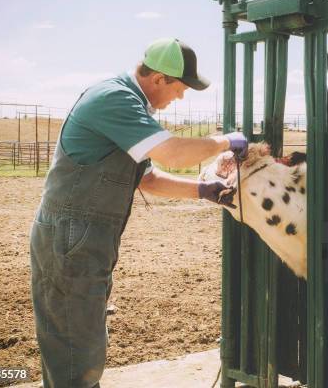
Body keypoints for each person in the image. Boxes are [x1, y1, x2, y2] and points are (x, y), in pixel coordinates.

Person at [29, 37, 246, 388]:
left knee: (78, 340)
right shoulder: (115, 99)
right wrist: (226, 140)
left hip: (83, 237)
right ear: (159, 78)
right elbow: (173, 153)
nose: (180, 97)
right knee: (75, 352)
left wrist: (204, 192)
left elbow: (147, 178)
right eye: (180, 88)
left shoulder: (129, 107)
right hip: (72, 235)